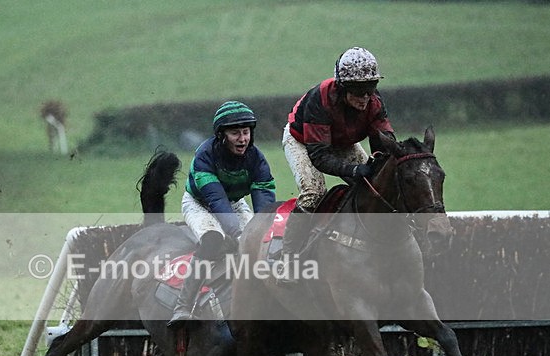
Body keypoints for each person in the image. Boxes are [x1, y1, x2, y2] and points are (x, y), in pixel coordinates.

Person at [280, 47, 396, 261]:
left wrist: (381, 162)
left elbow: (385, 142)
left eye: (370, 88)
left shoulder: (374, 101)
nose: (365, 97)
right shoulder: (320, 98)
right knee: (313, 193)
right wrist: (354, 169)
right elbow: (320, 156)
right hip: (303, 141)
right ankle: (288, 254)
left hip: (341, 141)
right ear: (343, 88)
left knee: (376, 186)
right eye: (358, 90)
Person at [167, 101, 276, 327]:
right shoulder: (204, 155)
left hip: (235, 203)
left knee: (259, 240)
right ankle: (183, 306)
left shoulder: (257, 158)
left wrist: (263, 229)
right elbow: (216, 200)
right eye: (235, 133)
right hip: (200, 204)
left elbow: (264, 201)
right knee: (213, 238)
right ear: (221, 135)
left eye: (246, 132)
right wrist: (237, 233)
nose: (243, 139)